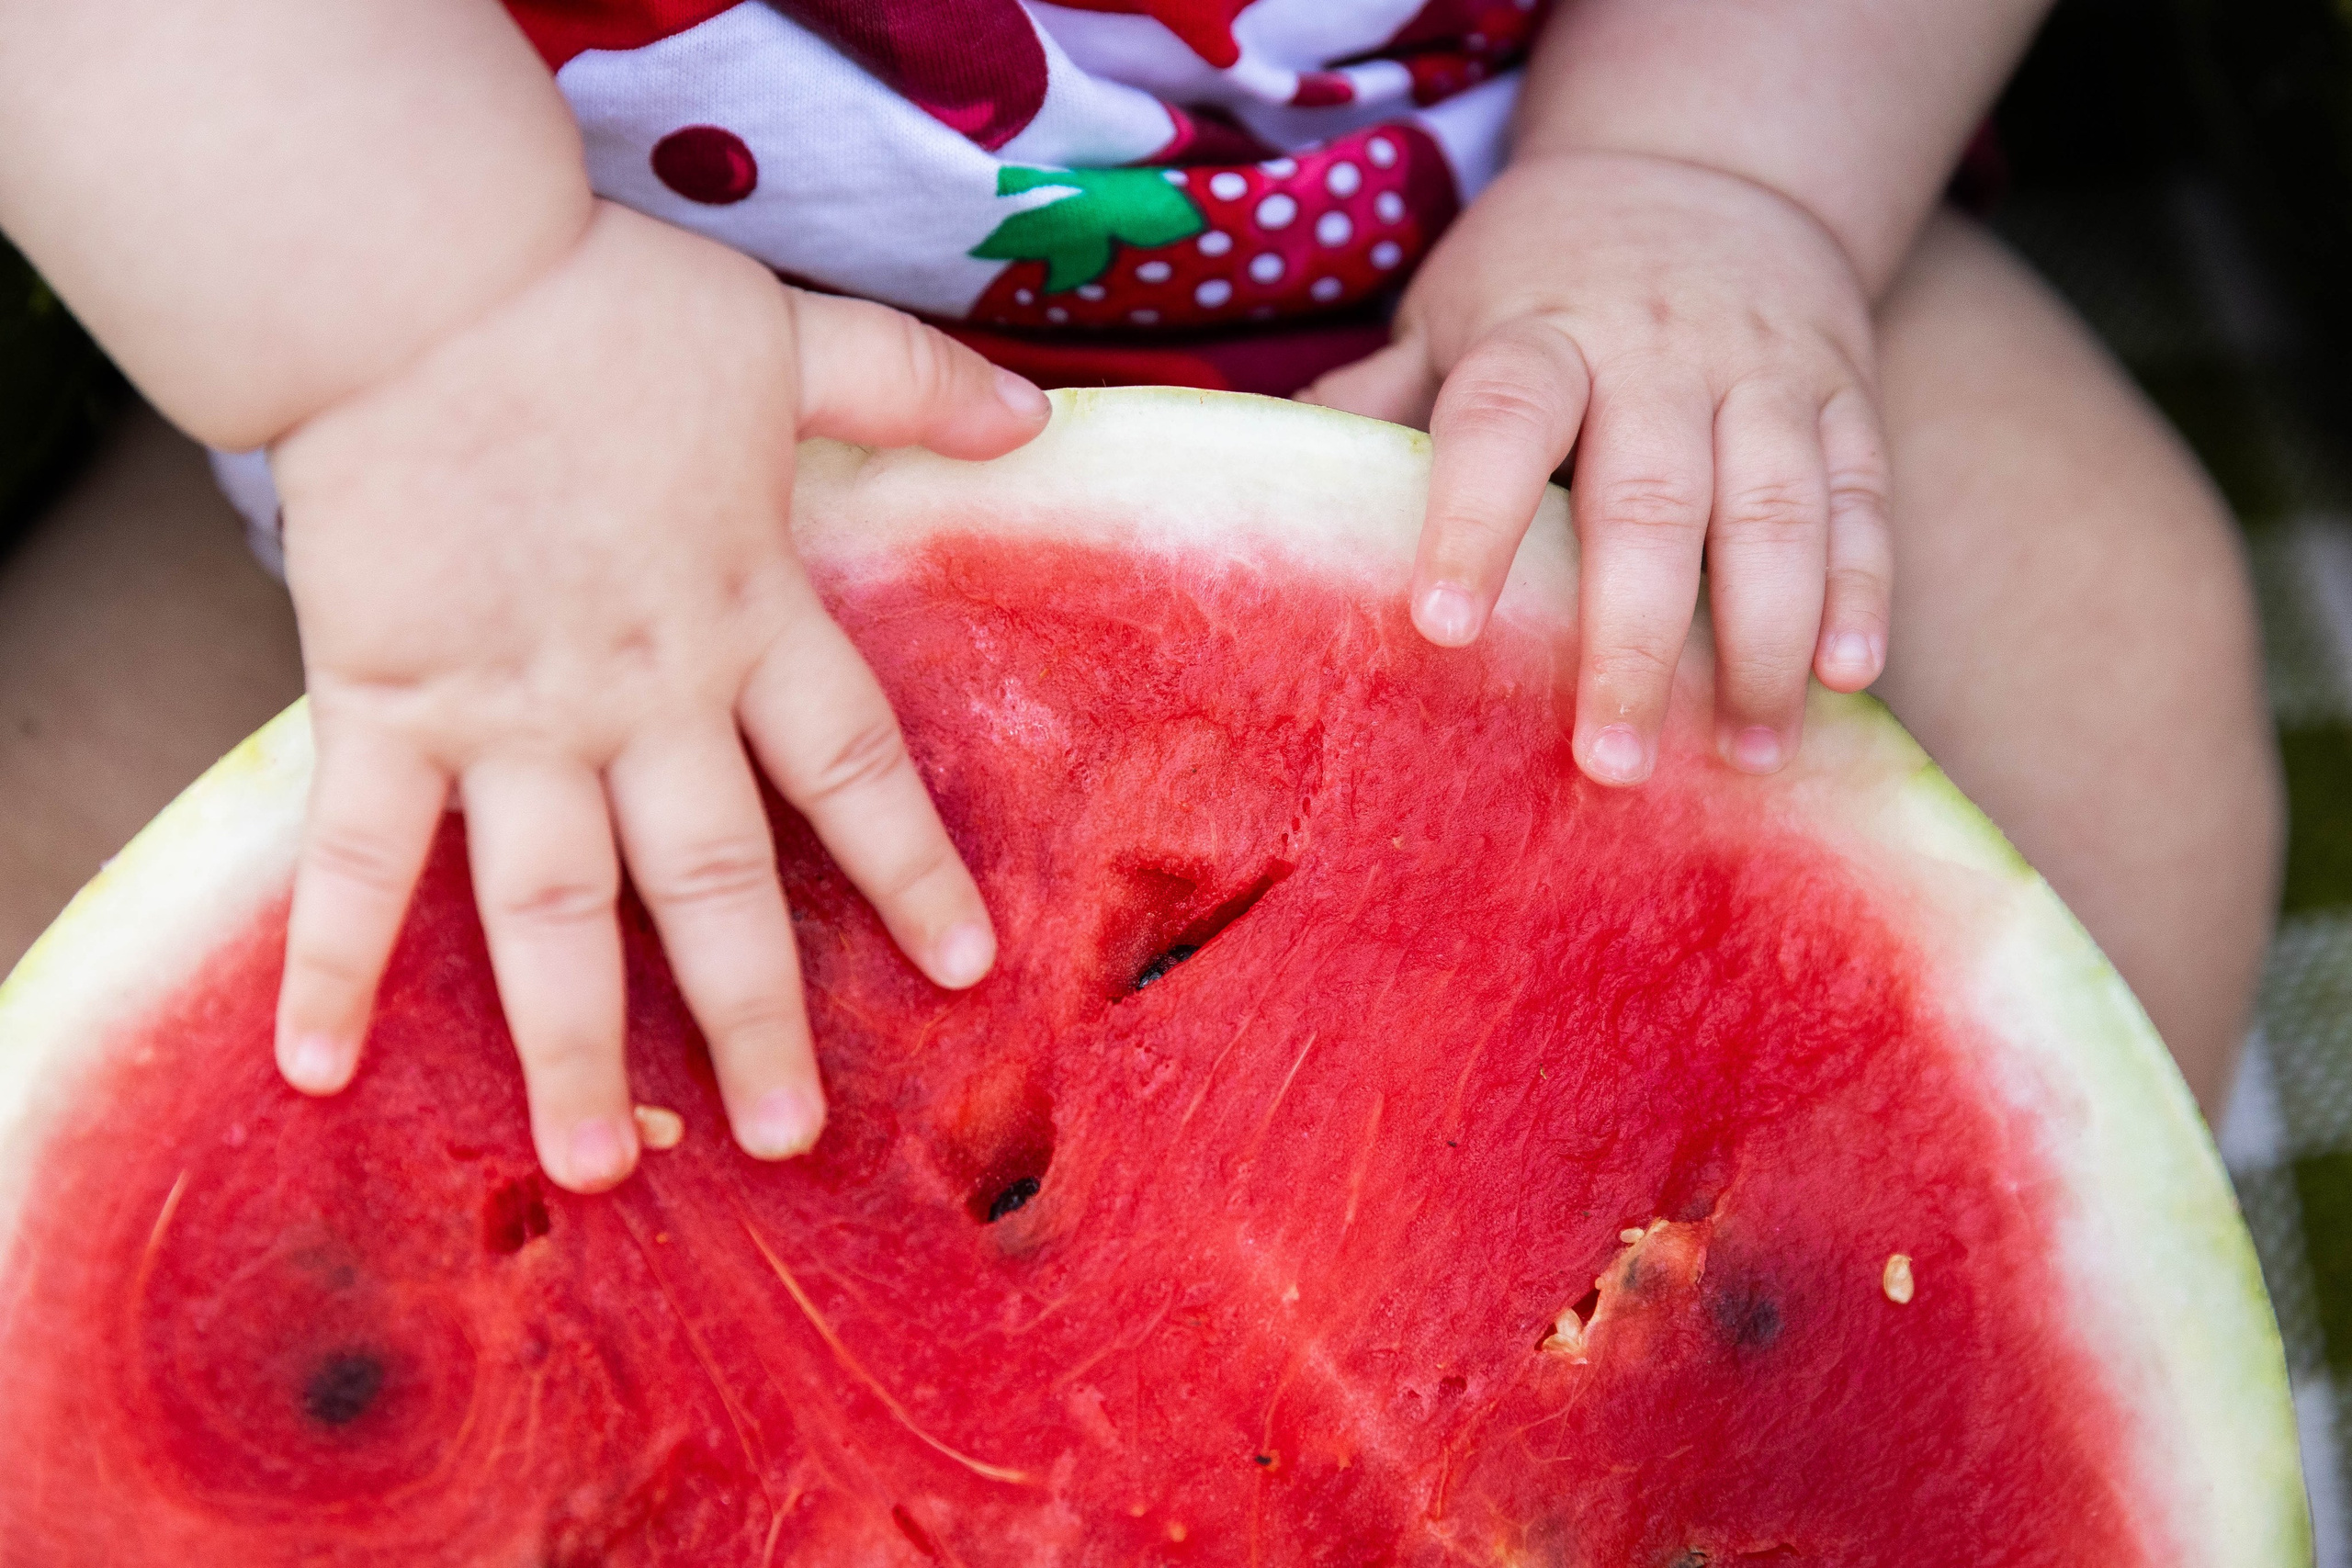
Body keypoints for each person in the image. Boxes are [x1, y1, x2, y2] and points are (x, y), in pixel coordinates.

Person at [0, 0, 2281, 1193]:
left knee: (2091, 653)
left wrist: (1718, 173)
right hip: (498, 401)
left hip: (1517, 253)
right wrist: (429, 336)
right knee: (60, 880)